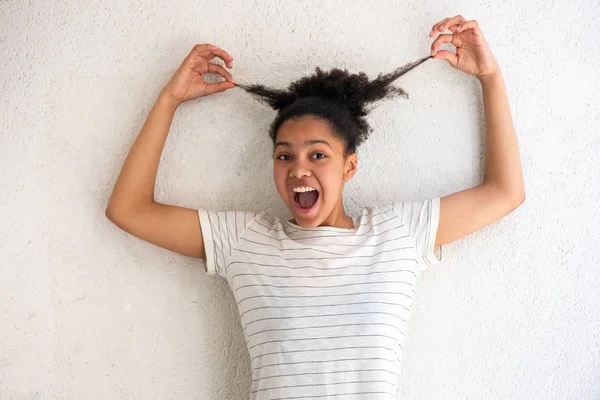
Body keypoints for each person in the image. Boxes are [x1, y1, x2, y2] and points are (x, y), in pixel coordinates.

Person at [105, 15, 525, 399]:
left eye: (318, 155)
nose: (297, 170)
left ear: (350, 166)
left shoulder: (397, 235)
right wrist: (169, 99)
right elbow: (128, 209)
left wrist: (489, 76)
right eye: (284, 156)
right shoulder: (245, 242)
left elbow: (505, 193)